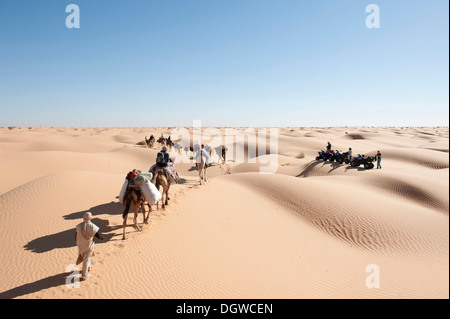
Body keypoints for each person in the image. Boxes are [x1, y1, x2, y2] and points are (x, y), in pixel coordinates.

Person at [75, 212, 103, 281]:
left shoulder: (78, 226)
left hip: (81, 244)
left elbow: (76, 236)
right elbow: (98, 234)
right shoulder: (92, 226)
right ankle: (84, 275)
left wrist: (78, 243)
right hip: (88, 244)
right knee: (86, 258)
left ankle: (89, 266)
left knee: (85, 256)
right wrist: (102, 238)